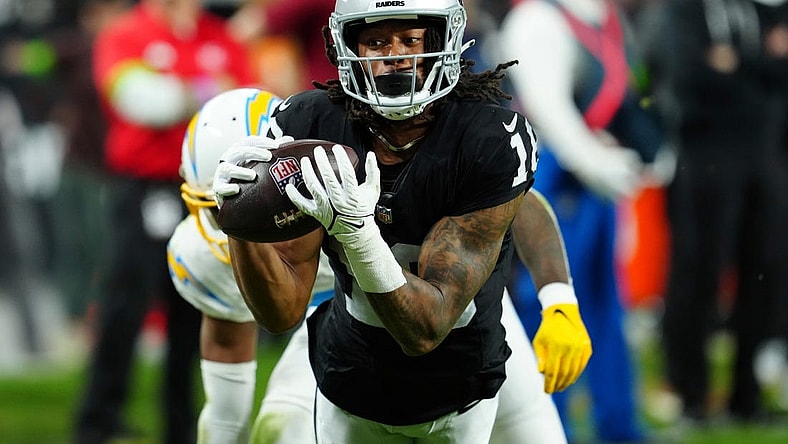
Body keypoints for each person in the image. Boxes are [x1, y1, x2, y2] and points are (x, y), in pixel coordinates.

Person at [212, 0, 592, 441]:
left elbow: (427, 328)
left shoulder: (486, 136)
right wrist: (237, 216)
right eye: (375, 41)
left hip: (460, 384)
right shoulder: (310, 123)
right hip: (351, 377)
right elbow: (281, 314)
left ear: (442, 40)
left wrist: (559, 297)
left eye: (411, 39)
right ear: (344, 46)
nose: (395, 55)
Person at [73, 0, 255, 443]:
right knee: (124, 307)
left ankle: (182, 427)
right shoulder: (125, 34)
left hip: (206, 195)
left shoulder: (219, 35)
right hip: (143, 189)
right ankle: (97, 423)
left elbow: (250, 109)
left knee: (195, 310)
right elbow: (141, 102)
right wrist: (204, 90)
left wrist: (185, 91)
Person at [499, 0, 666, 441]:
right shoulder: (538, 18)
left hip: (593, 173)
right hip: (551, 174)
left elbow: (621, 92)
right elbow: (547, 109)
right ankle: (549, 426)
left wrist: (646, 147)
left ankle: (619, 425)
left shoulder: (603, 15)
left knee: (606, 304)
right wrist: (596, 162)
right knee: (549, 303)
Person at [651, 0, 788, 424]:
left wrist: (735, 64)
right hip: (704, 156)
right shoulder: (684, 11)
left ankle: (746, 398)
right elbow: (690, 73)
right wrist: (761, 64)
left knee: (763, 274)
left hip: (761, 156)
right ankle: (692, 395)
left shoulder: (758, 10)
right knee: (699, 274)